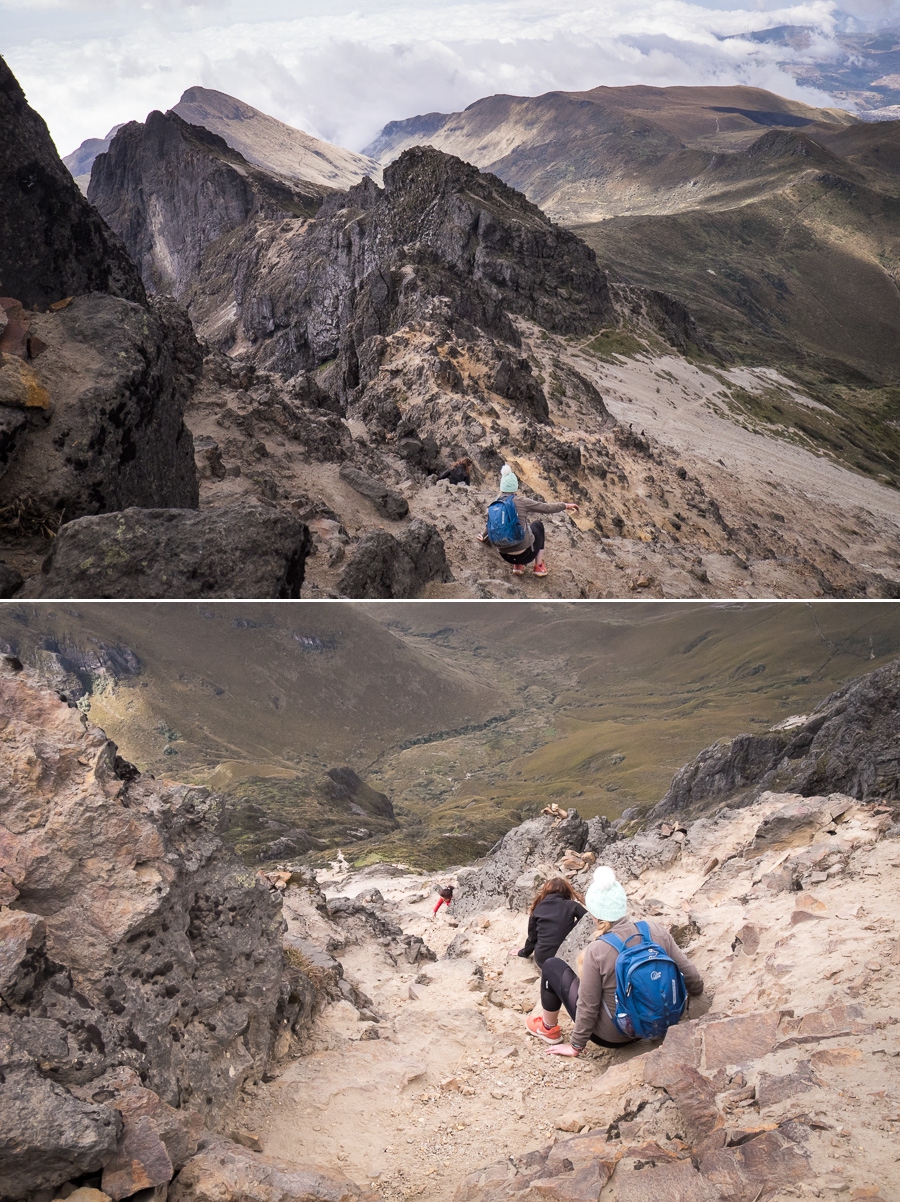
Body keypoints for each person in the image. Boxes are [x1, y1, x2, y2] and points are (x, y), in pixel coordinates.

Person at [526, 865, 704, 1055]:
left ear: (594, 915)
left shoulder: (597, 950)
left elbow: (588, 1005)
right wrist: (697, 994)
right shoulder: (655, 930)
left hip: (615, 1036)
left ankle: (548, 1028)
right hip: (663, 1020)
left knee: (552, 965)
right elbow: (691, 975)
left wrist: (576, 1045)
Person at [481, 464, 579, 577]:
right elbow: (546, 508)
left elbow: (490, 525)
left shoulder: (495, 504)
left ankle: (518, 566)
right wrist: (565, 505)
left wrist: (483, 537)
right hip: (526, 554)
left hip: (505, 556)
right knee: (537, 525)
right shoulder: (522, 501)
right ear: (515, 486)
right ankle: (538, 566)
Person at [511, 878, 587, 969]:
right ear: (567, 891)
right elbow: (587, 920)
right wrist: (571, 930)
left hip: (542, 959)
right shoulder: (571, 905)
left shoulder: (538, 908)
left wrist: (523, 952)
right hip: (564, 957)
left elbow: (532, 938)